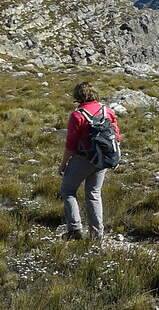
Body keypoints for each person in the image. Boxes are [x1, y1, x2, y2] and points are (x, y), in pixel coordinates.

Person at [58, 81, 121, 240]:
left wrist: (63, 164)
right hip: (102, 159)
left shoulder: (77, 115)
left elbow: (70, 145)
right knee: (93, 193)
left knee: (68, 190)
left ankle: (74, 229)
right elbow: (116, 136)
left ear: (78, 96)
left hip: (82, 159)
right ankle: (97, 234)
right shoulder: (106, 111)